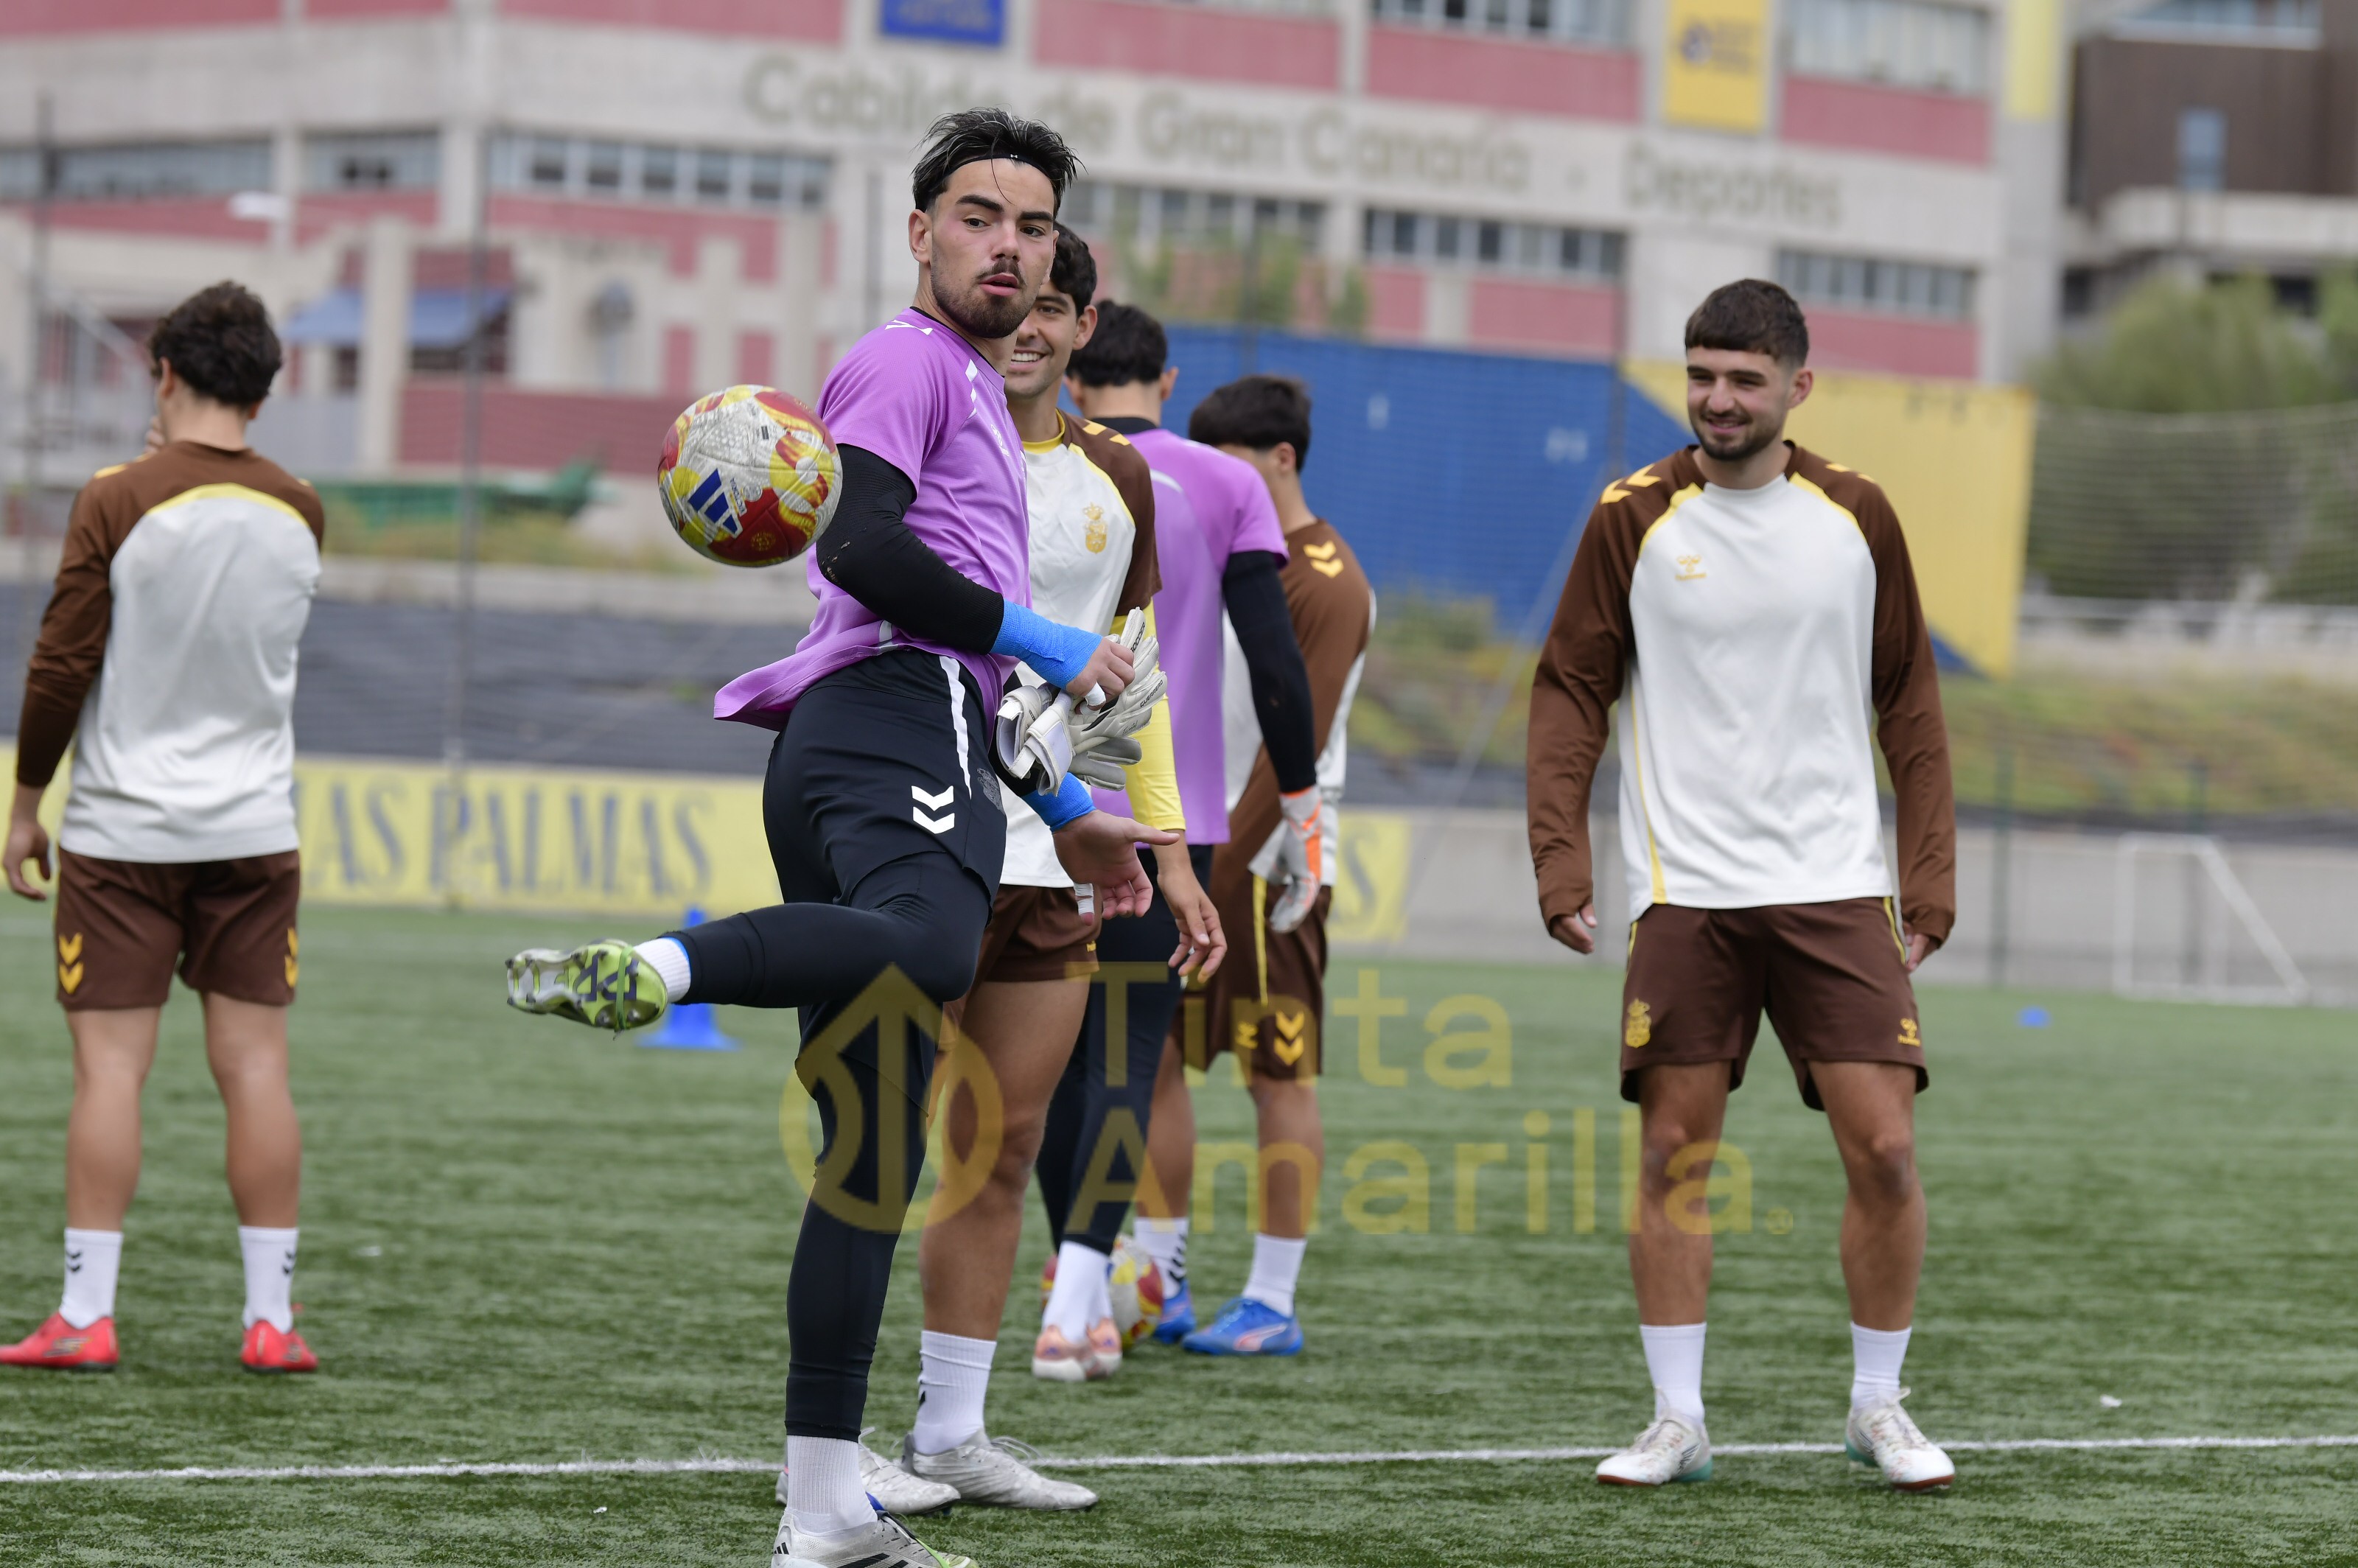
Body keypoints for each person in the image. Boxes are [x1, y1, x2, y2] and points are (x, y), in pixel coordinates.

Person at [505, 110, 1169, 1568]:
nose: (1009, 246)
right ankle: (664, 965)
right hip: (887, 720)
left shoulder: (971, 391)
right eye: (979, 216)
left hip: (893, 734)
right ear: (920, 233)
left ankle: (822, 1514)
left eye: (1033, 225)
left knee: (869, 1155)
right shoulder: (907, 359)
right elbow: (860, 548)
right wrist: (1057, 640)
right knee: (933, 944)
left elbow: (961, 659)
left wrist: (1072, 817)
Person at [1525, 279, 1957, 1491]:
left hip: (1837, 883)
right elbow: (1571, 690)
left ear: (1798, 388)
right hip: (1688, 888)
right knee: (1675, 1152)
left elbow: (1910, 701)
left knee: (1886, 1149)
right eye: (1701, 375)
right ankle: (1677, 1420)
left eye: (1744, 380)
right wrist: (1561, 857)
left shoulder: (1858, 516)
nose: (1718, 399)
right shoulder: (1632, 516)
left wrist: (1927, 877)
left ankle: (1878, 1406)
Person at [845, 223, 1221, 1516]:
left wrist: (1170, 855)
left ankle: (951, 1435)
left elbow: (1134, 681)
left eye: (1057, 307)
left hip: (1056, 851)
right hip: (921, 836)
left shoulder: (1120, 477)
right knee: (875, 1147)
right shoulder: (927, 435)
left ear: (1082, 328)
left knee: (1000, 1148)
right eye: (1020, 302)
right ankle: (832, 1442)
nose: (1031, 326)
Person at [1, 282, 325, 1376]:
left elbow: (61, 665)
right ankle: (271, 1321)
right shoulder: (302, 507)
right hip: (254, 829)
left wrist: (25, 805)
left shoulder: (116, 496)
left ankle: (85, 1315)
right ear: (263, 392)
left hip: (122, 835)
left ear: (166, 374)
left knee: (110, 1074)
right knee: (257, 1069)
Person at [1047, 304, 1324, 1349]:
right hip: (1172, 825)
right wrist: (1301, 804)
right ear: (1168, 384)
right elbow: (1276, 663)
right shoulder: (1226, 482)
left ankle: (1072, 1281)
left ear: (1073, 374)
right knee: (1129, 1057)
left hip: (1039, 809)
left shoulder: (1049, 459)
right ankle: (1086, 1302)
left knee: (1040, 1056)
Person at [1138, 375, 1371, 1358]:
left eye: (1229, 466)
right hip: (1192, 854)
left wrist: (1222, 871)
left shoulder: (1327, 579)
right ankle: (1159, 1284)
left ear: (1281, 460)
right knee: (1153, 1061)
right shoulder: (1214, 549)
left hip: (1272, 871)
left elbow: (1294, 744)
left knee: (1277, 1076)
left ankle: (1272, 1301)